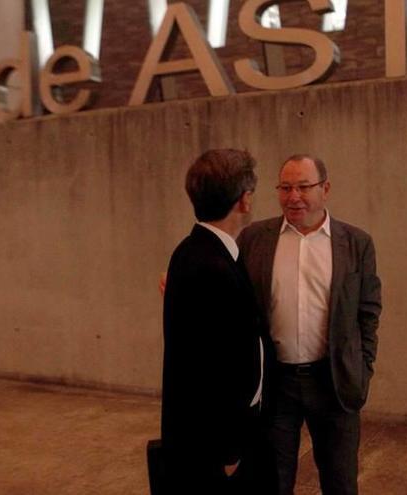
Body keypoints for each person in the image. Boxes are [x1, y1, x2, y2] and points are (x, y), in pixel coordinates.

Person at [237, 154, 382, 495]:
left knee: (340, 481)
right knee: (272, 481)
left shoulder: (356, 243)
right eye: (285, 188)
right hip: (276, 383)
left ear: (325, 189)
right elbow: (230, 293)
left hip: (333, 381)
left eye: (303, 187)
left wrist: (362, 370)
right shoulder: (254, 239)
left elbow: (368, 311)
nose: (294, 197)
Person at [157, 149, 273, 493]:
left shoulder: (194, 250)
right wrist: (230, 448)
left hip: (208, 435)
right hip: (218, 444)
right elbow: (213, 366)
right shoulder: (213, 264)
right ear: (245, 200)